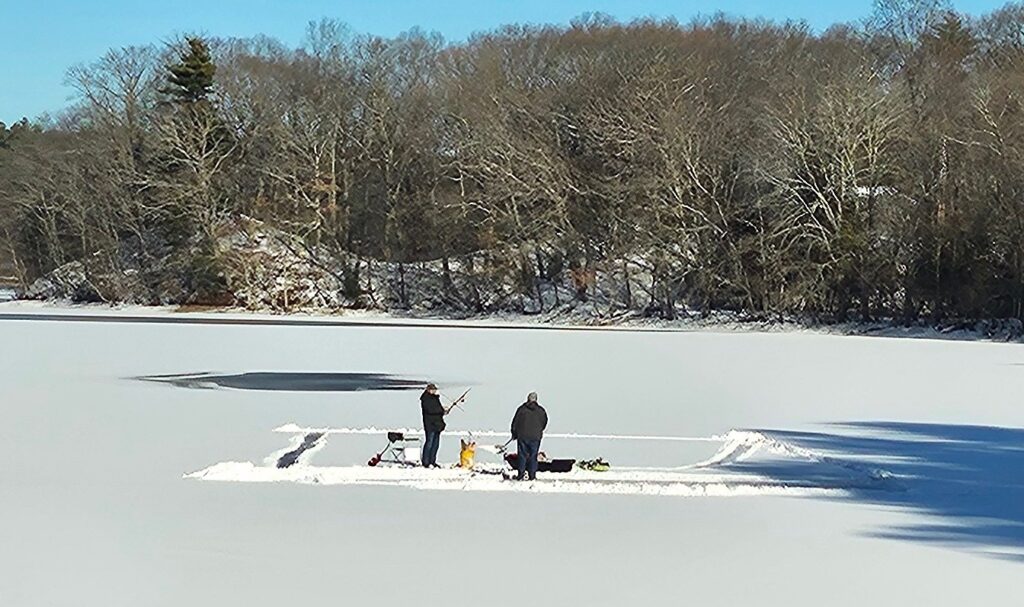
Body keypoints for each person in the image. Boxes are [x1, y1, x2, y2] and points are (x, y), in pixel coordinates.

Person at [510, 392, 548, 480]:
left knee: (522, 455)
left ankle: (521, 474)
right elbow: (544, 422)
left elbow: (515, 422)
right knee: (533, 456)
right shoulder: (541, 411)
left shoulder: (521, 410)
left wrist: (514, 433)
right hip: (535, 437)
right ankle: (532, 475)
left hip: (523, 436)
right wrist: (539, 430)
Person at [420, 383, 447, 468]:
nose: (434, 391)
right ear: (428, 390)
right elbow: (430, 410)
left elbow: (437, 409)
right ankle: (426, 462)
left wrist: (443, 411)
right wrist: (441, 411)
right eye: (432, 389)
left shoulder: (436, 398)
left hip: (437, 424)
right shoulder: (425, 399)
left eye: (434, 389)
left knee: (436, 444)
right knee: (429, 443)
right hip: (430, 424)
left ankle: (433, 461)